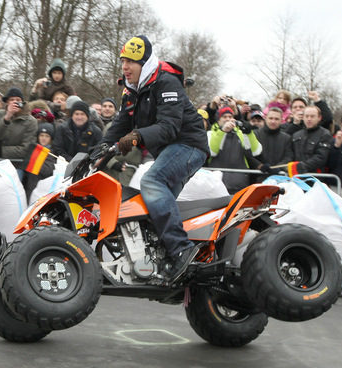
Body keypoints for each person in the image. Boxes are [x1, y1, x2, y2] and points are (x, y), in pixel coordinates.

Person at [102, 35, 209, 282]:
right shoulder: (131, 92)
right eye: (123, 61)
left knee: (151, 182)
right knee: (153, 203)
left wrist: (138, 135)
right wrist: (94, 154)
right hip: (171, 150)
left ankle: (182, 250)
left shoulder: (167, 82)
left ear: (145, 63)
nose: (125, 67)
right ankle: (166, 259)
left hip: (188, 145)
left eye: (131, 61)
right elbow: (119, 125)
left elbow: (170, 127)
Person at [207, 106, 262, 193]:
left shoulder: (240, 133)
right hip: (216, 185)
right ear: (218, 120)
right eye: (224, 117)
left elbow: (256, 151)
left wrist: (249, 133)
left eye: (230, 117)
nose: (228, 119)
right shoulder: (211, 134)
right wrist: (222, 131)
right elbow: (212, 152)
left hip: (239, 185)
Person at [0, 87, 38, 179]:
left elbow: (26, 148)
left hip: (17, 165)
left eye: (18, 100)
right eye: (12, 100)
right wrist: (7, 117)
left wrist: (1, 151)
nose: (15, 102)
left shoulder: (30, 121)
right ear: (7, 103)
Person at [290, 105, 332, 174]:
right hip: (296, 176)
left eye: (312, 116)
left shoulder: (325, 134)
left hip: (315, 177)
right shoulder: (296, 135)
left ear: (319, 118)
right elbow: (291, 154)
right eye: (306, 116)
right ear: (303, 118)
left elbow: (321, 157)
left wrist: (303, 166)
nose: (309, 119)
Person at [23, 122, 57, 200]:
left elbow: (48, 170)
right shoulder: (33, 149)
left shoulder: (51, 152)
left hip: (43, 189)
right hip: (30, 187)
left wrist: (35, 162)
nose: (43, 138)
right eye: (41, 135)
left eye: (47, 136)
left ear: (51, 138)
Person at [254, 107, 293, 174]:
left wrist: (277, 167)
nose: (273, 121)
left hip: (279, 177)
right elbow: (249, 155)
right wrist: (259, 165)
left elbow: (288, 157)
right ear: (265, 118)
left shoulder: (287, 138)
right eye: (270, 118)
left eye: (276, 119)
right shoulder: (255, 134)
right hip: (257, 175)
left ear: (281, 120)